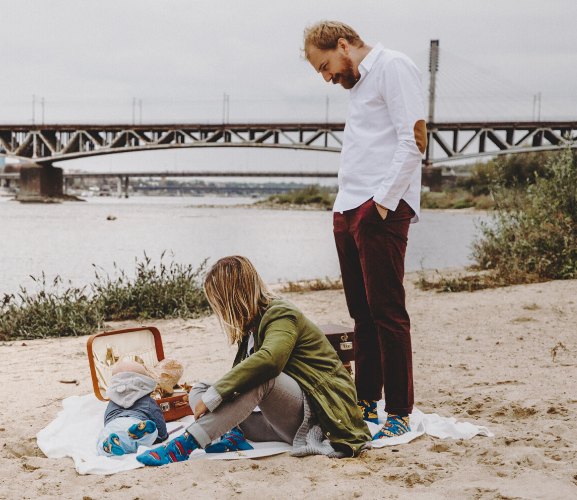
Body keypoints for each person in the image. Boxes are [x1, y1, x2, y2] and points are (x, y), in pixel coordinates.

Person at [302, 20, 427, 439]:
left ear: (343, 45)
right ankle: (367, 401)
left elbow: (415, 140)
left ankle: (399, 412)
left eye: (325, 66)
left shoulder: (394, 66)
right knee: (362, 315)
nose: (327, 77)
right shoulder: (358, 85)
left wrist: (382, 205)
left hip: (379, 207)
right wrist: (345, 208)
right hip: (348, 206)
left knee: (388, 312)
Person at [136, 256, 370, 466]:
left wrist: (216, 394)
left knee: (261, 378)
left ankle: (183, 445)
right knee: (200, 389)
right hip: (272, 424)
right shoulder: (251, 327)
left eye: (219, 300)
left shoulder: (281, 313)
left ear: (232, 295)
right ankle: (232, 436)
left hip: (317, 418)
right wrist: (213, 394)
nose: (219, 309)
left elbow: (270, 362)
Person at [97, 360, 168, 456]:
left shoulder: (112, 401)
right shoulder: (147, 400)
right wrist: (163, 435)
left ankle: (108, 444)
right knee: (152, 432)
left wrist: (110, 426)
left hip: (114, 425)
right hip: (136, 421)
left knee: (102, 440)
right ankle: (139, 430)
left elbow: (107, 418)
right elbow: (157, 418)